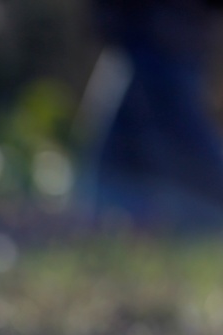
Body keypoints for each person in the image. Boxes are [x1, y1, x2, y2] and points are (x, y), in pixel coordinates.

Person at [83, 0, 223, 230]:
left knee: (190, 150)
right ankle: (99, 225)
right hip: (141, 38)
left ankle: (98, 223)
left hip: (167, 34)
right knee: (117, 157)